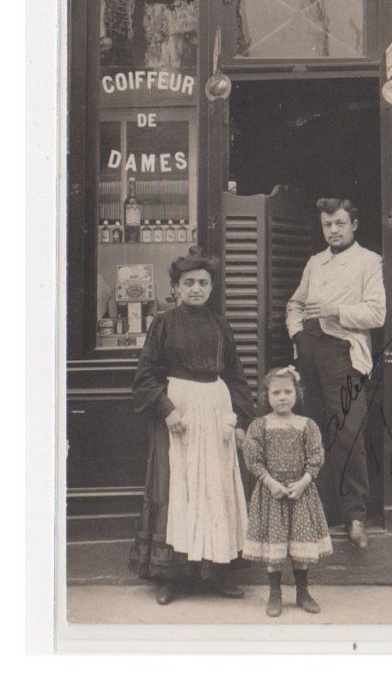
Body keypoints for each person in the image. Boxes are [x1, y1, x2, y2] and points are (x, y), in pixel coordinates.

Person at [129, 246, 255, 605]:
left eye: (203, 283)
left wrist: (241, 419)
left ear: (212, 288)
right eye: (188, 283)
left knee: (215, 491)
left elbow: (236, 376)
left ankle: (218, 572)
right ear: (175, 287)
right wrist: (168, 410)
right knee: (179, 491)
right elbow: (146, 377)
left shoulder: (221, 326)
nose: (196, 288)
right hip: (179, 414)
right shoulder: (163, 324)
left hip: (216, 413)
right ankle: (171, 578)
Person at [286, 198, 386, 549]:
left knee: (348, 433)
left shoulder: (370, 262)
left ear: (353, 224)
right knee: (312, 432)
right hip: (310, 351)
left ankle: (355, 516)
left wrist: (333, 310)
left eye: (340, 223)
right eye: (328, 225)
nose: (334, 230)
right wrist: (297, 334)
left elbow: (377, 314)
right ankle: (318, 514)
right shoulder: (316, 262)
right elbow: (295, 304)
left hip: (344, 354)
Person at [242, 366, 332, 617]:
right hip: (272, 494)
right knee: (275, 548)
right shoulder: (260, 426)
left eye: (288, 392)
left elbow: (315, 457)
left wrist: (303, 482)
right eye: (276, 392)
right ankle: (274, 594)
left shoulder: (307, 425)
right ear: (266, 397)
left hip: (299, 493)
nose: (282, 397)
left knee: (300, 544)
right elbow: (253, 459)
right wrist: (271, 483)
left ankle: (302, 592)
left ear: (297, 394)